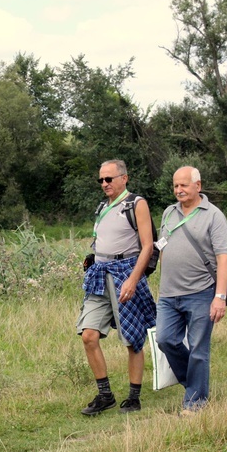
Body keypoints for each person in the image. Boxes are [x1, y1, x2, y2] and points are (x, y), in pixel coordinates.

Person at [78, 159, 157, 416]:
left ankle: (134, 397)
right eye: (101, 179)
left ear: (124, 178)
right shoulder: (103, 206)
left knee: (132, 339)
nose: (104, 184)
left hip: (126, 271)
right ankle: (105, 395)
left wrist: (133, 280)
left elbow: (147, 246)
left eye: (109, 179)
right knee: (88, 335)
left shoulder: (136, 203)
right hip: (100, 273)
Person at [156, 167, 227, 414]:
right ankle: (195, 384)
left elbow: (223, 258)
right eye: (176, 185)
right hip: (168, 294)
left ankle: (195, 401)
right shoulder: (169, 212)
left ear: (198, 186)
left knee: (199, 347)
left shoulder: (213, 215)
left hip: (201, 292)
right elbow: (163, 247)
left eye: (184, 185)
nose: (179, 190)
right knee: (165, 340)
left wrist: (219, 297)